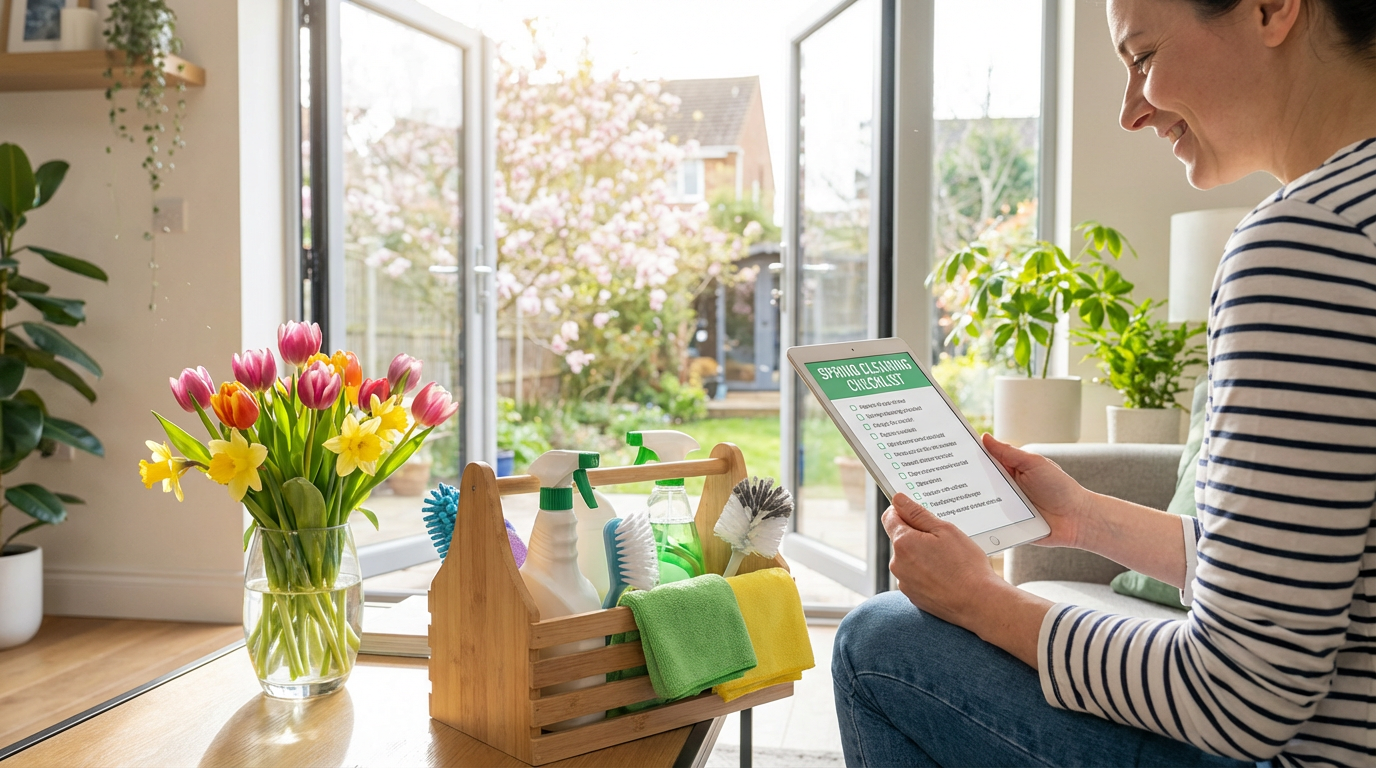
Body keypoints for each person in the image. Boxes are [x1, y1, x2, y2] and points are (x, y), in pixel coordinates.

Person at [832, 0, 1376, 765]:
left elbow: (1241, 697)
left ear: (1271, 8)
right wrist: (1083, 519)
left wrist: (984, 602)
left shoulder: (1307, 245)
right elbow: (1299, 576)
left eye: (1144, 57)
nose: (1131, 111)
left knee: (878, 641)